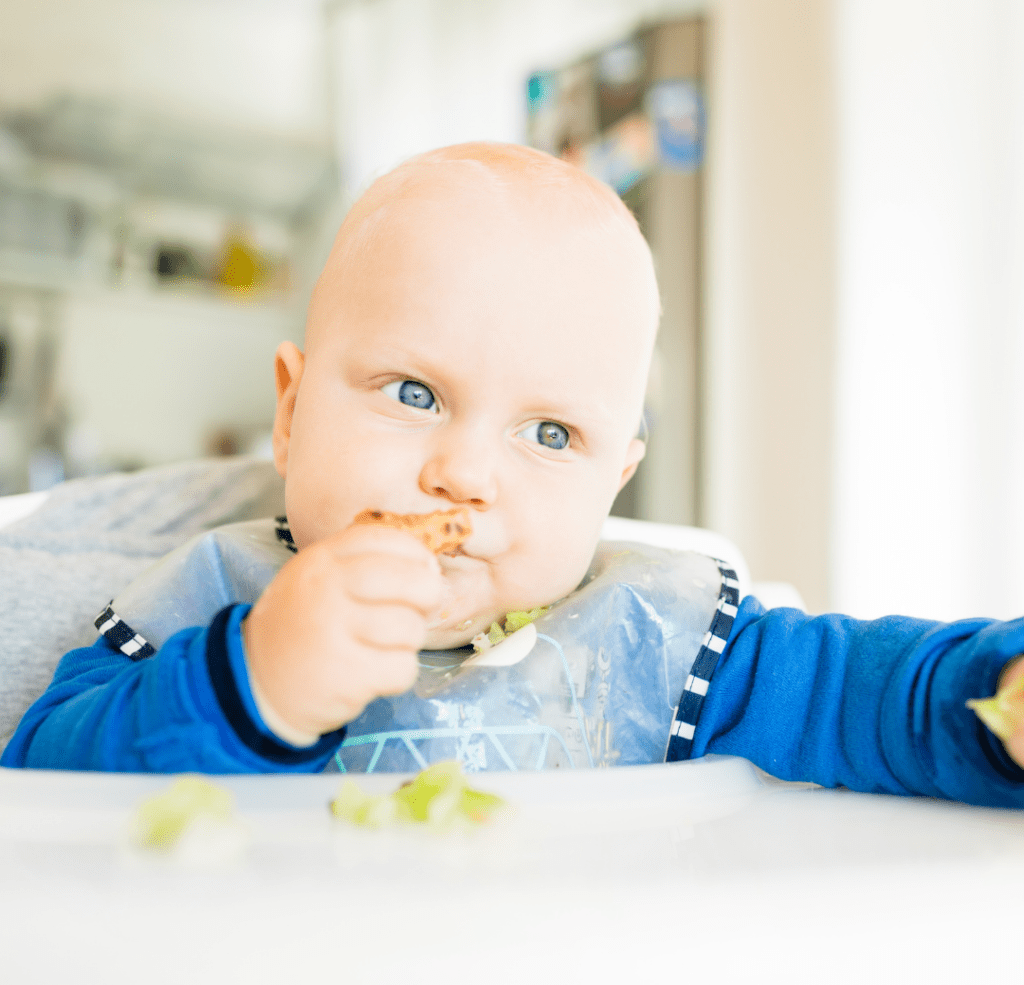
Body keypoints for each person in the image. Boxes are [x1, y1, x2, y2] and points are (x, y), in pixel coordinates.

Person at [2, 143, 1022, 807]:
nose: (463, 474)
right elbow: (43, 787)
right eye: (412, 393)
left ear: (613, 481)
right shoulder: (208, 602)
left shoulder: (658, 641)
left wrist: (998, 692)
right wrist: (253, 682)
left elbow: (875, 695)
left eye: (548, 434)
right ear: (289, 409)